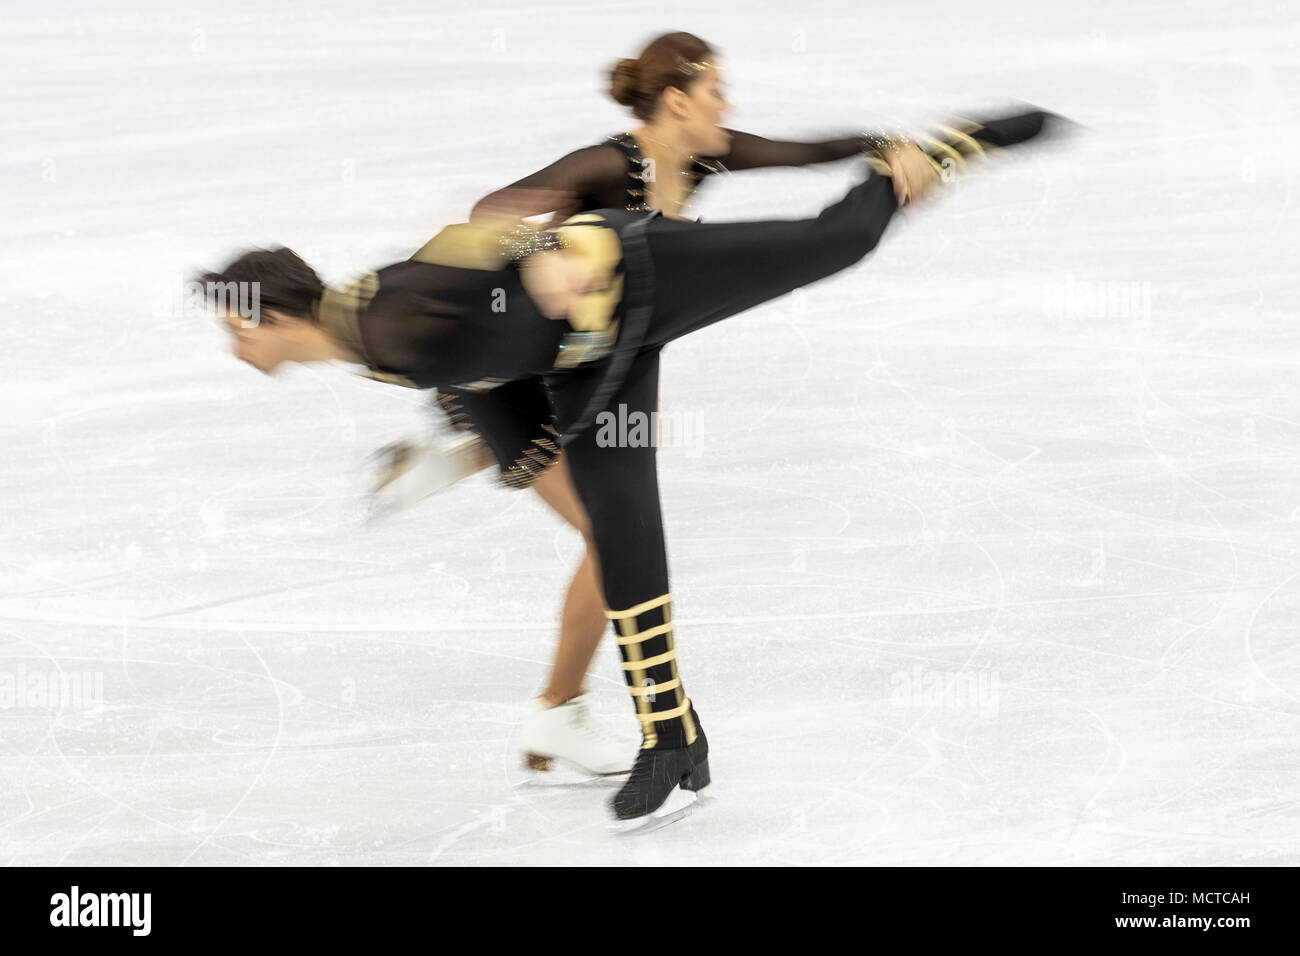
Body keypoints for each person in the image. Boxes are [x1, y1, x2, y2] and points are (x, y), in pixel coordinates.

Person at [202, 105, 1060, 822]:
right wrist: (498, 442)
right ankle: (671, 737)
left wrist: (545, 261)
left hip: (636, 277)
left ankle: (930, 153)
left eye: (232, 323)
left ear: (262, 318)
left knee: (834, 242)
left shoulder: (384, 318)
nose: (231, 340)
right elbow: (474, 356)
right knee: (620, 529)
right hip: (591, 361)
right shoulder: (365, 337)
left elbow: (483, 229)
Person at [368, 31, 939, 779]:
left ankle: (453, 466)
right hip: (515, 380)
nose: (728, 110)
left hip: (592, 365)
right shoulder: (608, 165)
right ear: (676, 101)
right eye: (716, 94)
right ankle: (557, 707)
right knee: (612, 540)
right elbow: (487, 212)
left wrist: (888, 146)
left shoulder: (704, 155)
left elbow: (797, 151)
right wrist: (545, 262)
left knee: (614, 529)